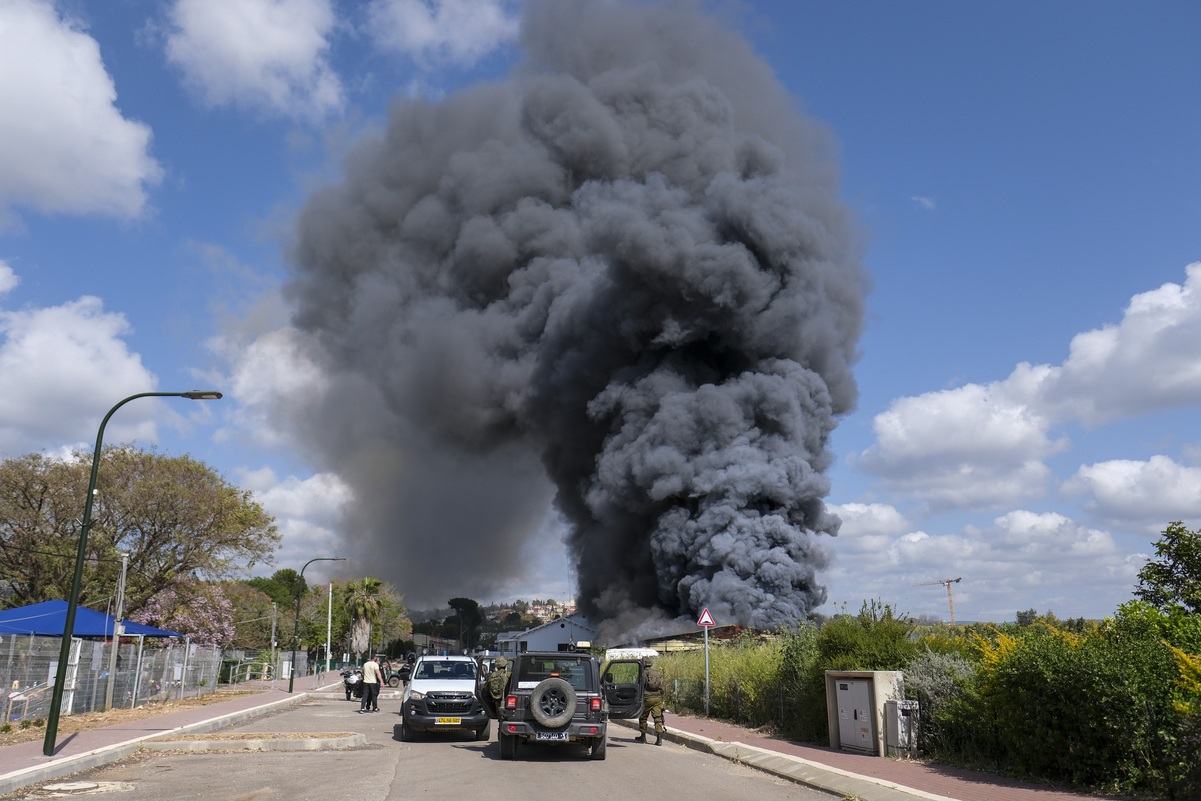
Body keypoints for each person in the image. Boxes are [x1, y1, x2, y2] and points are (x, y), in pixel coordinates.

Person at [635, 655, 665, 745]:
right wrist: (661, 697)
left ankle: (643, 736)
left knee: (643, 717)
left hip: (646, 699)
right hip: (657, 699)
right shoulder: (657, 673)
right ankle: (659, 739)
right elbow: (662, 687)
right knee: (658, 718)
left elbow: (639, 687)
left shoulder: (642, 674)